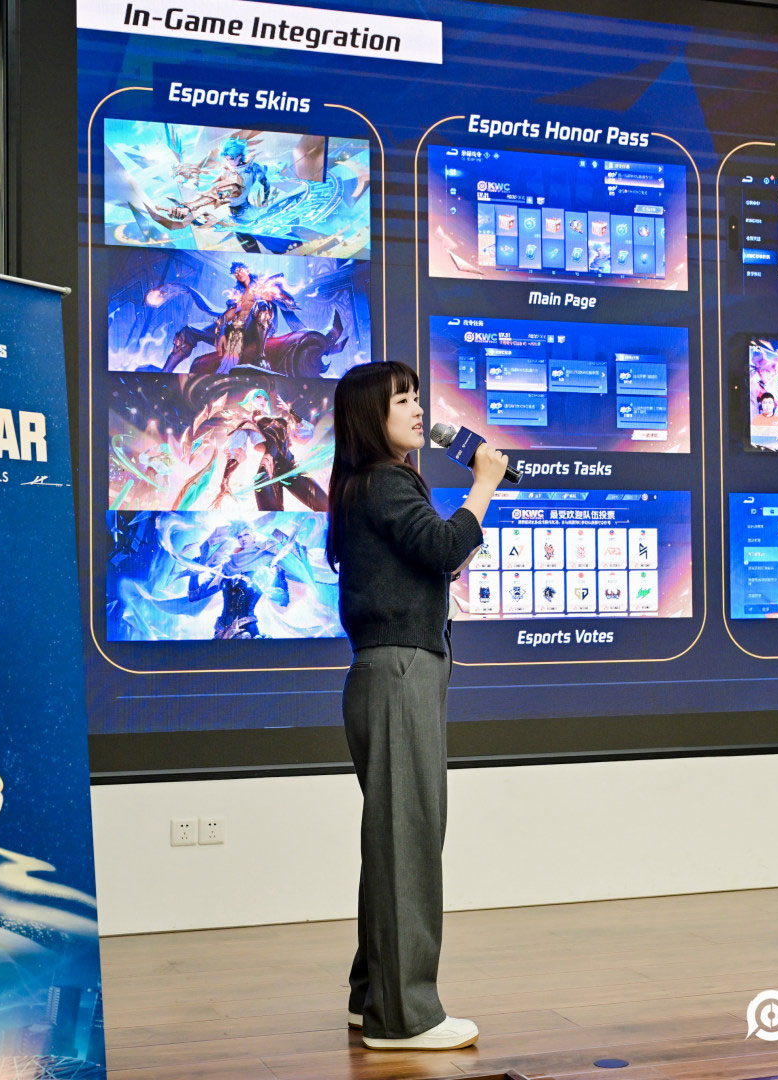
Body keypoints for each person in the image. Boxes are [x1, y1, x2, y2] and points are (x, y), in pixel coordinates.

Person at [325, 360, 509, 1051]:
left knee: (394, 842)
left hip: (393, 672)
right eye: (403, 399)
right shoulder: (385, 481)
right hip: (400, 673)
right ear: (371, 415)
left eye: (416, 397)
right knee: (408, 843)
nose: (417, 409)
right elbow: (442, 544)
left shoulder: (370, 485)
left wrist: (456, 538)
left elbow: (434, 560)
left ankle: (373, 995)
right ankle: (404, 1019)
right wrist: (483, 485)